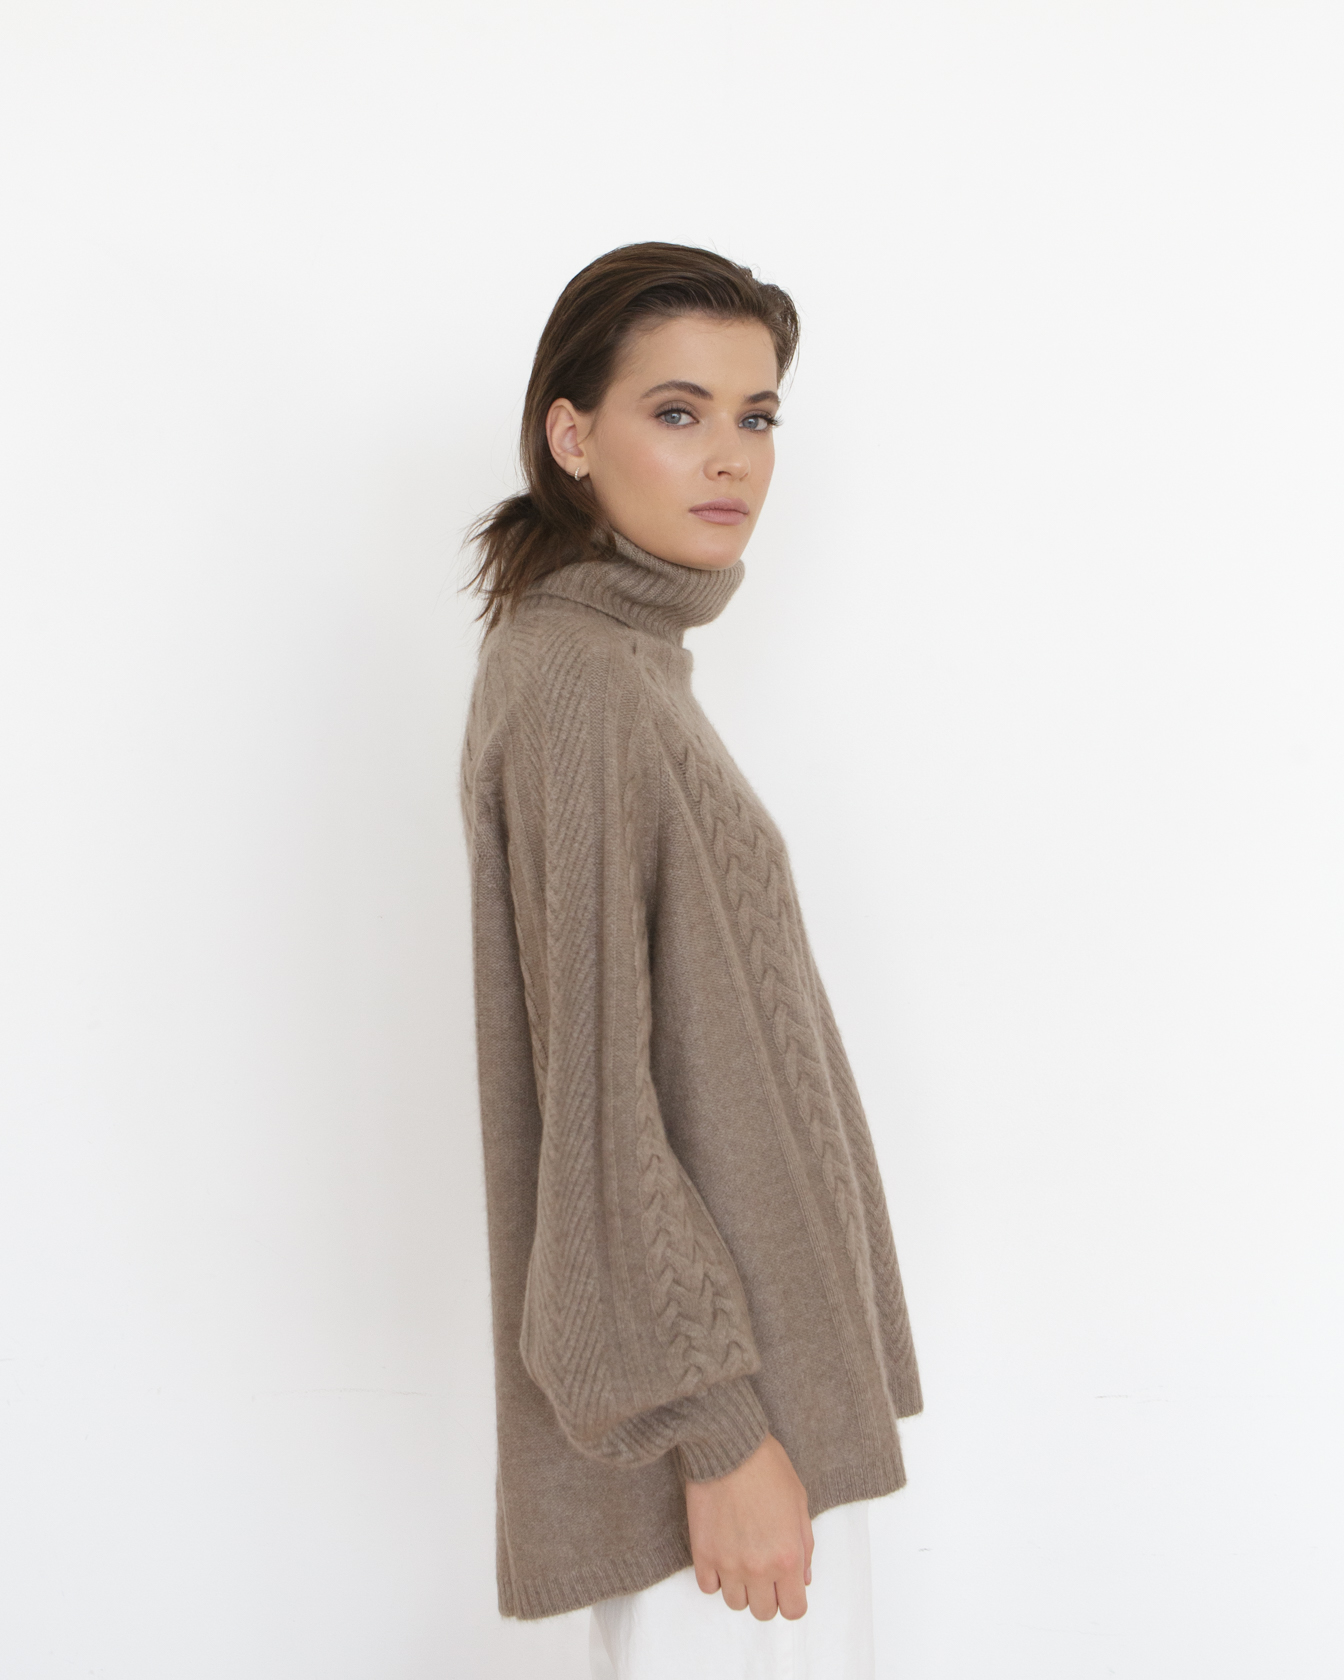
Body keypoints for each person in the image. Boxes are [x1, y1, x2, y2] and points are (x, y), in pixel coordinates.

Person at [458, 242, 922, 1679]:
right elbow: (599, 1115)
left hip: (759, 1399)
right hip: (716, 1439)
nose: (731, 457)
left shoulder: (626, 664)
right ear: (571, 434)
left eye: (756, 415)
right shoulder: (581, 684)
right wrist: (717, 1435)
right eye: (678, 412)